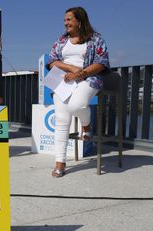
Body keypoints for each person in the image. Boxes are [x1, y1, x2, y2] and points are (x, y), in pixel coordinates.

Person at [47, 7, 110, 177]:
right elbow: (52, 61)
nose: (65, 22)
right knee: (61, 120)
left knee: (76, 106)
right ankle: (60, 163)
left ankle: (86, 125)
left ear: (79, 21)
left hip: (88, 79)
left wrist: (79, 73)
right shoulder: (61, 40)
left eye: (69, 19)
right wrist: (69, 68)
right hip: (63, 80)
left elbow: (101, 63)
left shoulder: (96, 40)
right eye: (65, 19)